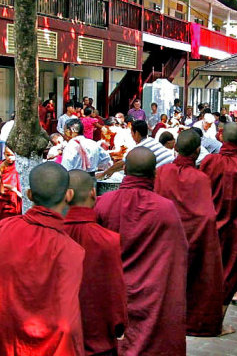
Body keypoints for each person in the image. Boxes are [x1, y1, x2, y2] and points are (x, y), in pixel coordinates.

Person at [0, 162, 85, 355]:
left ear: (29, 195)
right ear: (69, 195)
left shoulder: (2, 228)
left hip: (3, 341)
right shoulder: (70, 250)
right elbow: (67, 323)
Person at [95, 147, 188, 356]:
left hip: (113, 292)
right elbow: (179, 254)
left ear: (125, 169)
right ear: (154, 174)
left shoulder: (103, 204)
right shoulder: (166, 208)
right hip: (151, 293)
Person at [155, 130, 223, 336]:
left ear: (175, 148)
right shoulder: (201, 178)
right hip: (193, 238)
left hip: (166, 239)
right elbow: (207, 216)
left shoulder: (162, 172)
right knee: (193, 282)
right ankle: (192, 321)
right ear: (196, 152)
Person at [64, 170, 128, 356]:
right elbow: (115, 290)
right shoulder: (108, 240)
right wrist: (119, 325)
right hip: (99, 338)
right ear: (93, 193)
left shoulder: (50, 235)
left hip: (59, 337)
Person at [200, 123, 237, 332]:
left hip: (210, 225)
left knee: (206, 272)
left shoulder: (208, 162)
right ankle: (218, 322)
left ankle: (203, 317)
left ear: (222, 138)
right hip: (236, 228)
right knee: (230, 272)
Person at [0, 147, 22, 223]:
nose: (9, 158)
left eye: (12, 155)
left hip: (14, 196)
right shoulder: (1, 165)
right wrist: (7, 186)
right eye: (7, 155)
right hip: (3, 195)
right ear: (4, 154)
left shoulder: (18, 165)